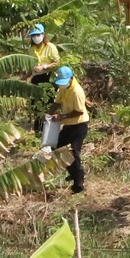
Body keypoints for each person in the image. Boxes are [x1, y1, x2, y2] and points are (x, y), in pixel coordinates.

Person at [49, 65, 90, 194]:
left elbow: (79, 111)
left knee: (74, 151)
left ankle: (79, 183)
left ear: (71, 78)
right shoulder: (63, 88)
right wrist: (48, 113)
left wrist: (61, 116)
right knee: (57, 147)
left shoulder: (76, 91)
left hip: (79, 124)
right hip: (68, 124)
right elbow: (57, 102)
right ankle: (73, 171)